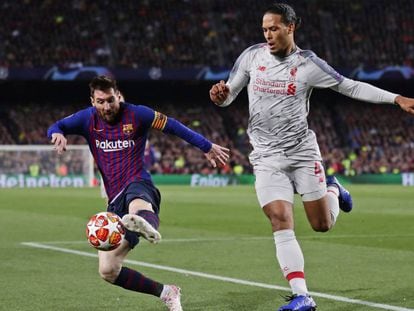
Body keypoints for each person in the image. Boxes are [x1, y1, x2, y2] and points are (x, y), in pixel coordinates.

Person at [209, 3, 414, 311]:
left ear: (291, 27)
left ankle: (334, 188)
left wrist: (396, 98)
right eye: (264, 29)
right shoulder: (252, 56)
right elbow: (231, 94)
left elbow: (351, 87)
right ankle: (302, 295)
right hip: (266, 156)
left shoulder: (308, 65)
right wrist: (221, 98)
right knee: (280, 218)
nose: (268, 35)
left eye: (274, 28)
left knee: (321, 224)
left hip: (302, 154)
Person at [48, 75, 230, 311]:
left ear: (118, 95)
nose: (107, 106)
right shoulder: (86, 119)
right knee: (108, 271)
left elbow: (173, 126)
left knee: (138, 206)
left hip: (138, 182)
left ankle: (144, 223)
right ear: (92, 101)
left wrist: (206, 146)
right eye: (101, 101)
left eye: (111, 100)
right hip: (114, 201)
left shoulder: (138, 114)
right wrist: (57, 133)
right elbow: (56, 126)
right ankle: (167, 292)